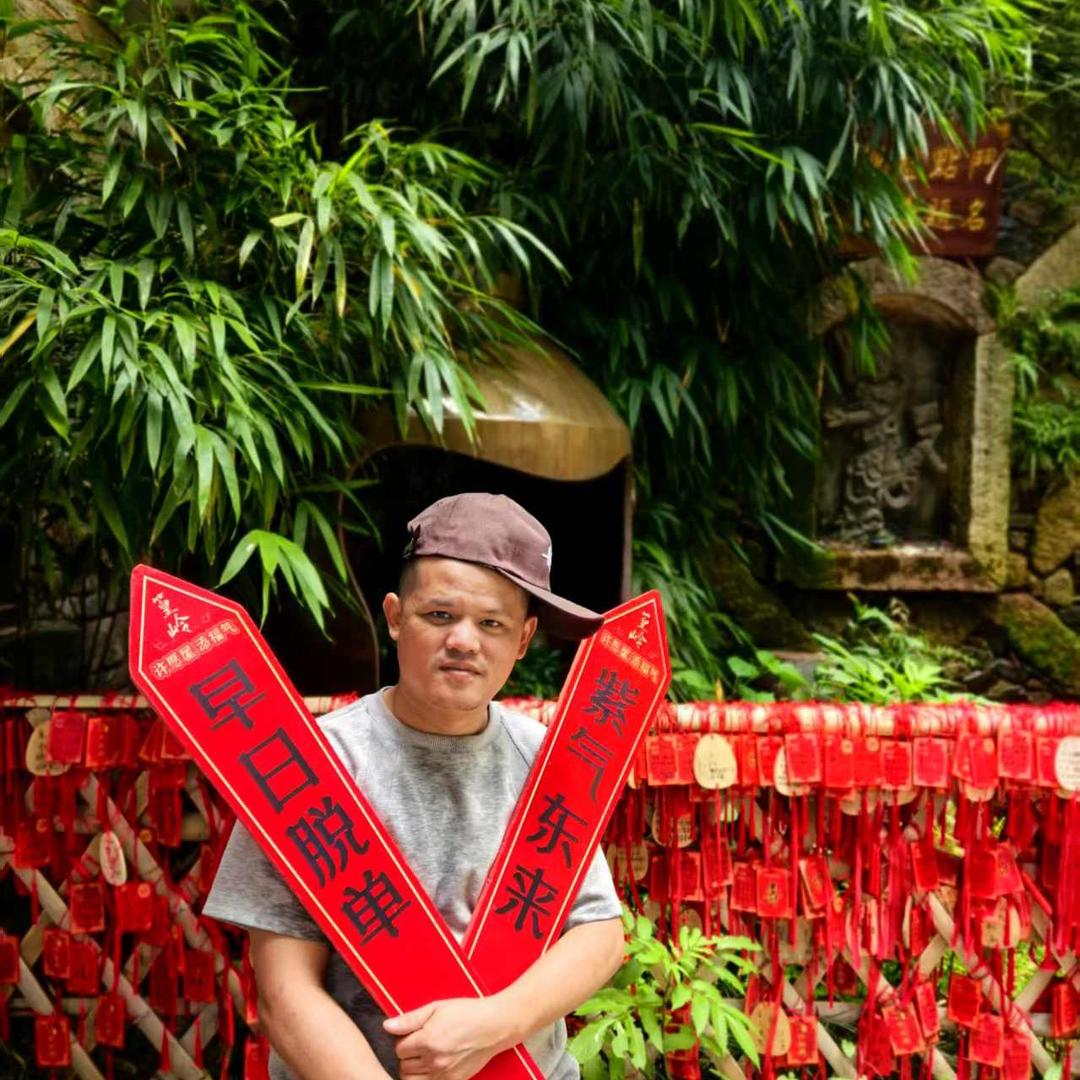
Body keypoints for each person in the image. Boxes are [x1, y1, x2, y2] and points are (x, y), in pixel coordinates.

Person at [203, 492, 626, 1080]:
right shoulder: (308, 767)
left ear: (524, 639)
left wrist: (495, 1023)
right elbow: (285, 990)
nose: (464, 641)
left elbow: (599, 933)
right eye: (440, 615)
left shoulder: (544, 760)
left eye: (492, 624)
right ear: (396, 616)